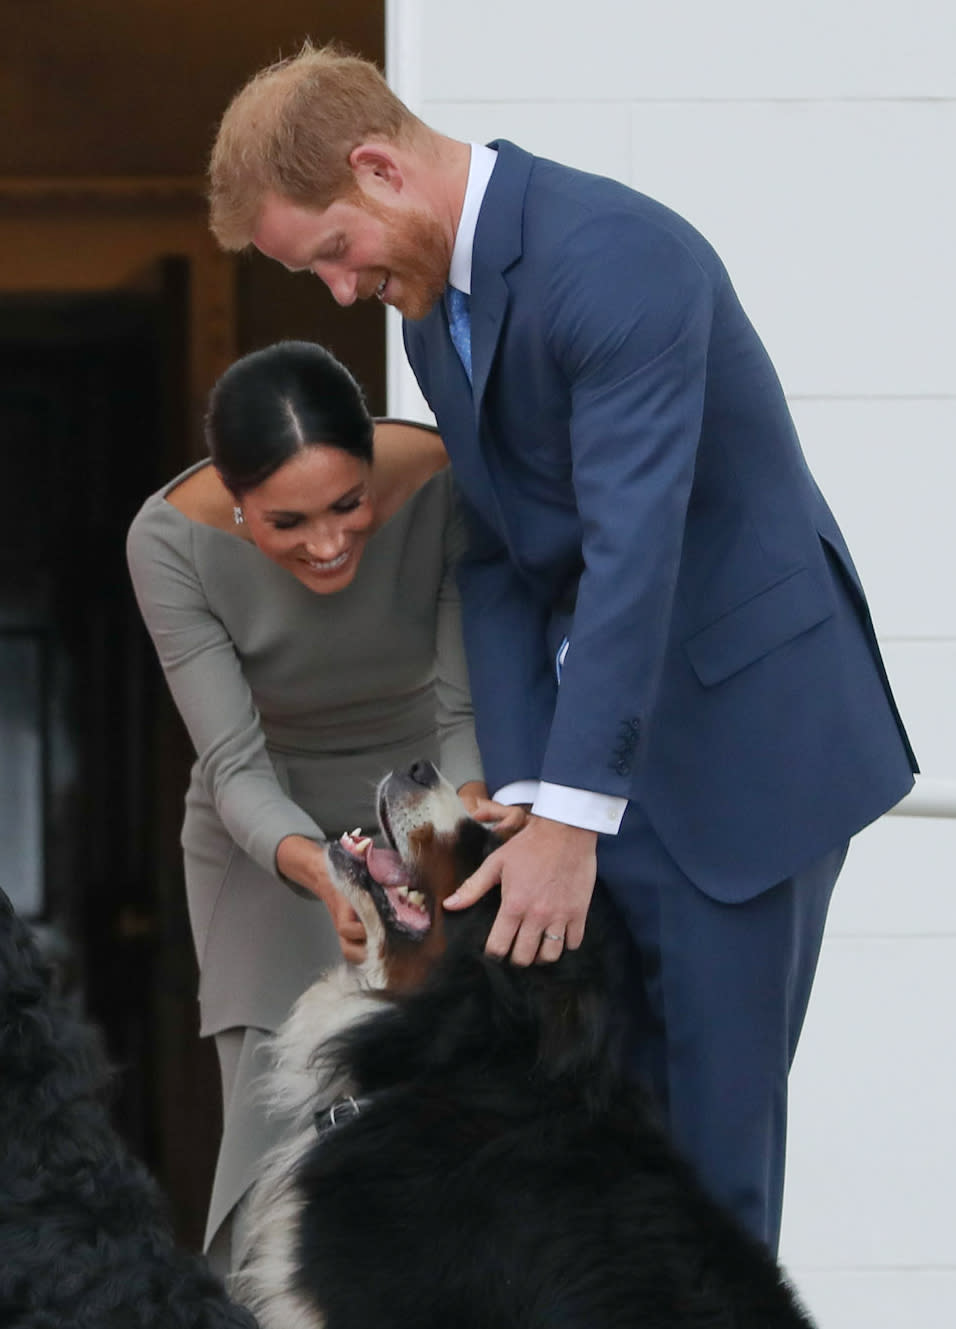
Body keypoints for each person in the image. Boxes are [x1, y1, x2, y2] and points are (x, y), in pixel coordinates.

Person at [205, 44, 918, 1252]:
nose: (335, 292)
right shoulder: (435, 308)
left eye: (328, 252)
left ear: (377, 169)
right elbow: (502, 559)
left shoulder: (618, 257)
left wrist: (571, 821)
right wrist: (529, 799)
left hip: (743, 752)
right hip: (592, 768)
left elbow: (635, 552)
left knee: (699, 1176)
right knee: (584, 1152)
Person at [126, 339, 522, 1273]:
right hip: (268, 837)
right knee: (277, 1150)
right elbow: (233, 767)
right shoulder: (167, 542)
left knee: (449, 1118)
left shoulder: (445, 481)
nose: (329, 541)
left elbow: (463, 710)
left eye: (350, 504)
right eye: (288, 521)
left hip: (426, 799)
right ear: (234, 499)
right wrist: (328, 874)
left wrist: (455, 832)